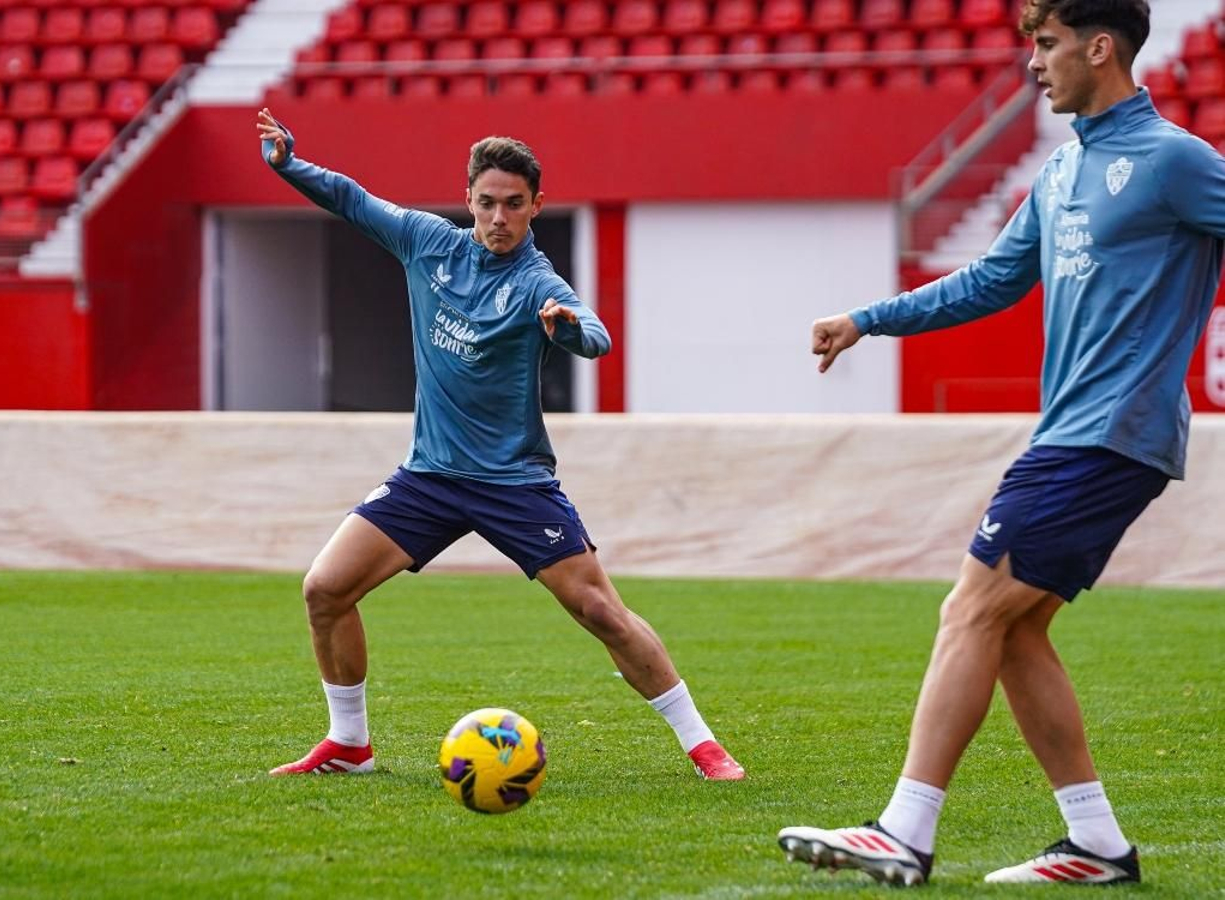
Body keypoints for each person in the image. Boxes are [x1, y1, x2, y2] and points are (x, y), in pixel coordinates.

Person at [778, 0, 1219, 886]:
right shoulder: (1059, 172)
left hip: (1111, 437)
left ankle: (906, 828)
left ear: (1101, 47)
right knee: (1014, 633)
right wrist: (870, 319)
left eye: (1048, 45)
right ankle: (1096, 843)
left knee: (969, 609)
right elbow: (988, 282)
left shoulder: (1176, 160)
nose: (1033, 64)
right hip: (1071, 435)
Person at [255, 109, 745, 782]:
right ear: (469, 201)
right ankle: (350, 745)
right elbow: (352, 199)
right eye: (487, 203)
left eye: (514, 204)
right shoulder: (427, 243)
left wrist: (568, 330)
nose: (499, 217)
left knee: (599, 608)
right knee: (324, 588)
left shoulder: (539, 282)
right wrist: (287, 164)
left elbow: (596, 337)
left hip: (514, 483)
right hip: (430, 477)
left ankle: (702, 744)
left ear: (536, 206)